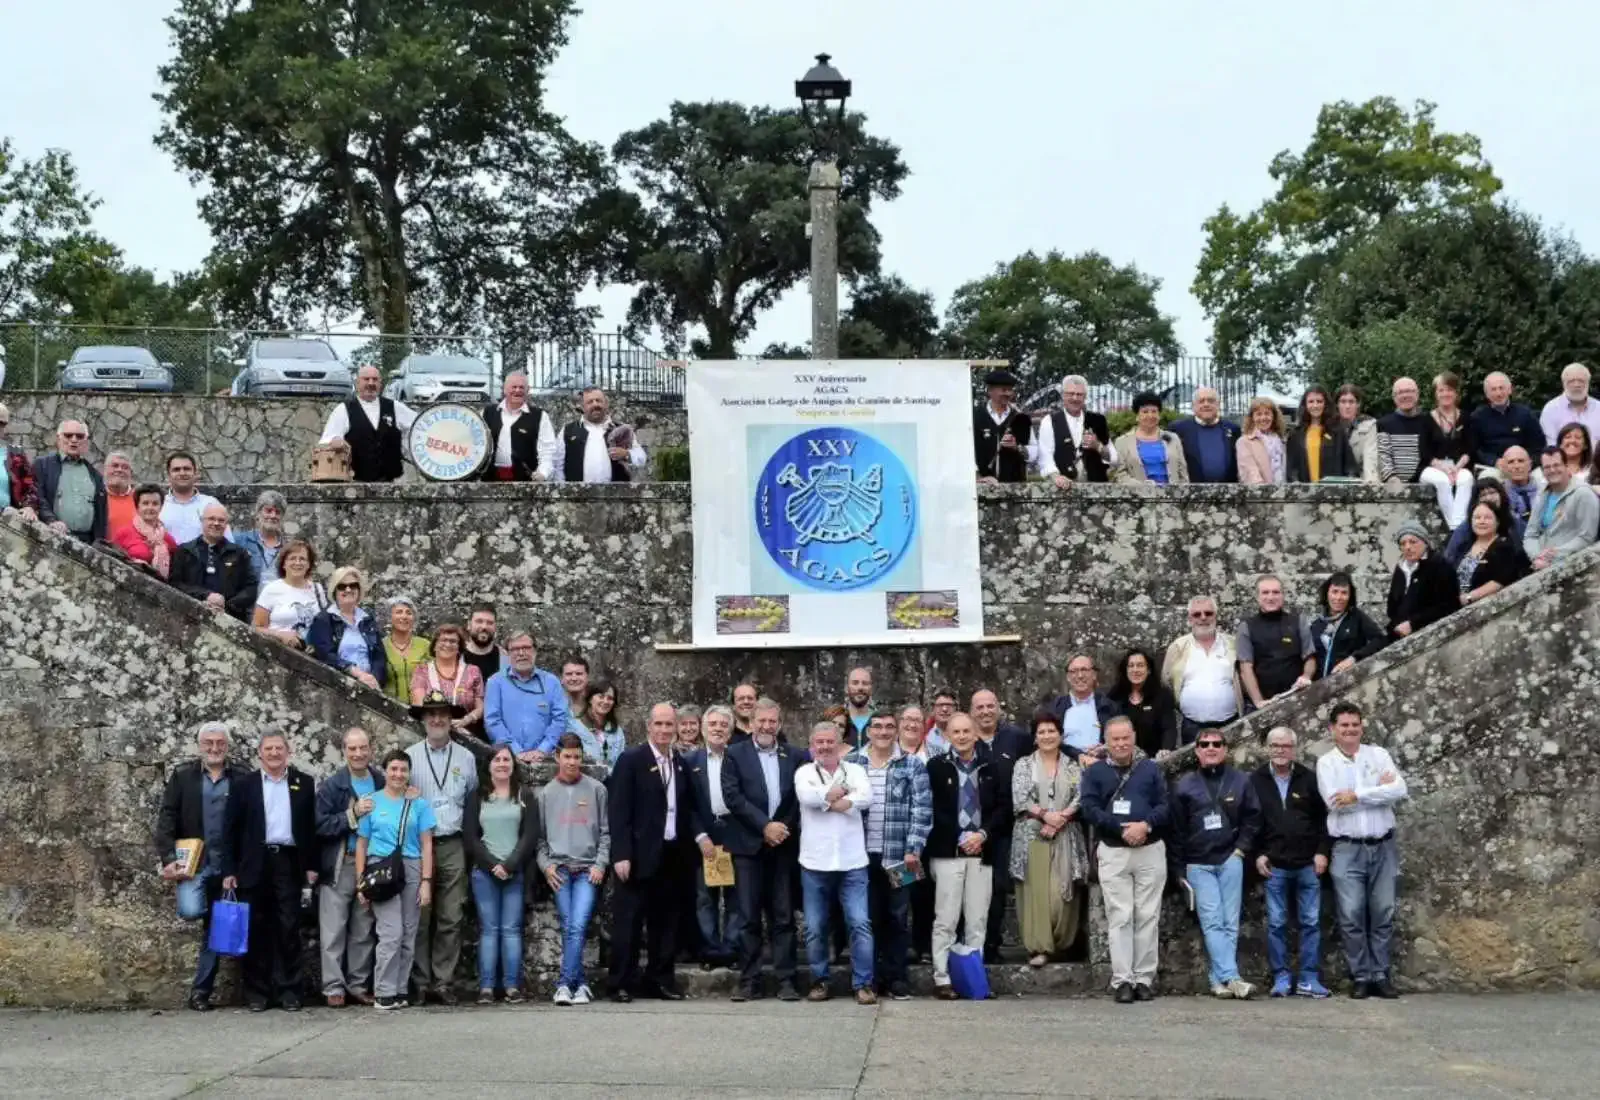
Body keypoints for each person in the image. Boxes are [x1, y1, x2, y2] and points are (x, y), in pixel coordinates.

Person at [219, 732, 317, 1012]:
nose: (274, 753)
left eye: (279, 748)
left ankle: (290, 992)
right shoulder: (243, 785)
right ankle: (257, 993)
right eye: (269, 748)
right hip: (254, 862)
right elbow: (229, 830)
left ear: (288, 752)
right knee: (256, 928)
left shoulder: (304, 783)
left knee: (289, 927)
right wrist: (229, 869)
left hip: (288, 861)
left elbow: (310, 828)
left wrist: (311, 866)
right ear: (259, 753)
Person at [154, 721, 249, 1011]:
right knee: (191, 910)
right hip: (195, 864)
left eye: (220, 743)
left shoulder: (242, 776)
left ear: (228, 746)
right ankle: (213, 922)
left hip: (228, 865)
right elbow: (167, 817)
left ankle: (200, 993)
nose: (214, 748)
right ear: (199, 746)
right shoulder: (183, 776)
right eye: (209, 742)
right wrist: (168, 858)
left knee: (215, 926)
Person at [1317, 702, 1408, 998]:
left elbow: (1400, 790)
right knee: (1351, 914)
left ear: (1362, 726)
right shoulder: (1326, 763)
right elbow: (1334, 803)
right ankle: (1361, 975)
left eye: (1355, 724)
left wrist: (1357, 795)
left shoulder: (1378, 755)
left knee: (1383, 911)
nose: (1350, 729)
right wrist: (1379, 792)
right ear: (1333, 729)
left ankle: (1380, 974)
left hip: (1382, 844)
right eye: (1344, 725)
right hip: (1347, 848)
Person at [1079, 717, 1169, 1003]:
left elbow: (1165, 804)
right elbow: (1089, 808)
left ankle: (1144, 978)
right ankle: (1122, 980)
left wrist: (1146, 825)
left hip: (1150, 848)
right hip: (1114, 849)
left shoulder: (1150, 769)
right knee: (1120, 916)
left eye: (1125, 738)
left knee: (1148, 915)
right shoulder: (1095, 772)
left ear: (1134, 737)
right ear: (1106, 742)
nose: (1120, 744)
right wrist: (1120, 829)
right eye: (1114, 739)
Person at [607, 701, 693, 1001]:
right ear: (648, 727)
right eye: (659, 724)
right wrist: (621, 854)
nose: (664, 730)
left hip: (671, 854)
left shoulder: (680, 763)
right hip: (636, 855)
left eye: (669, 724)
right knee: (629, 923)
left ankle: (659, 980)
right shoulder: (631, 760)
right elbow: (618, 811)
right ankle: (620, 982)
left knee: (666, 923)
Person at [845, 710, 931, 1000]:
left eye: (889, 727)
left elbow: (922, 810)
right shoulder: (852, 763)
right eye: (877, 726)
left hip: (901, 856)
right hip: (860, 857)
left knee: (898, 917)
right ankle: (868, 979)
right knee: (865, 919)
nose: (883, 732)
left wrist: (914, 849)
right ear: (868, 731)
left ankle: (896, 978)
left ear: (896, 731)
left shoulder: (912, 764)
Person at [1169, 729, 1261, 1000]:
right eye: (1205, 744)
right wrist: (1178, 869)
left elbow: (1253, 818)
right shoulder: (1184, 785)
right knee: (1212, 922)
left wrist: (1241, 850)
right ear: (1197, 750)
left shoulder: (1241, 780)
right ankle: (1233, 978)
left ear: (1225, 749)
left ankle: (1217, 980)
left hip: (1230, 859)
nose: (1211, 748)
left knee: (1230, 922)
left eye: (1217, 743)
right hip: (1198, 863)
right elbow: (1176, 830)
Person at [721, 696, 802, 1002]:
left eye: (772, 721)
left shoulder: (794, 755)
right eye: (762, 720)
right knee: (747, 917)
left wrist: (780, 828)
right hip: (748, 848)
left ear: (779, 724)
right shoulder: (734, 753)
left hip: (782, 846)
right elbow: (733, 797)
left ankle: (787, 981)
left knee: (783, 917)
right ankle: (749, 981)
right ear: (752, 722)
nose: (767, 726)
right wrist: (764, 826)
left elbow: (798, 798)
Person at [925, 711, 1008, 999]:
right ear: (947, 735)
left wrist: (982, 835)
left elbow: (1002, 808)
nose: (961, 737)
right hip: (947, 853)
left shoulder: (991, 767)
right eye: (956, 732)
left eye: (966, 731)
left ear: (975, 734)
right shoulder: (936, 767)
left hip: (981, 852)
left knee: (977, 919)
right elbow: (931, 809)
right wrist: (959, 837)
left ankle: (974, 979)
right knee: (946, 919)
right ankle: (942, 978)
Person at [795, 721, 876, 1004]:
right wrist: (840, 793)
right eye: (820, 742)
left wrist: (836, 801)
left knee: (860, 923)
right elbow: (807, 797)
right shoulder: (804, 772)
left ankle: (863, 984)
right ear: (812, 745)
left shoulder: (856, 771)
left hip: (853, 862)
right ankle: (819, 980)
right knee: (814, 927)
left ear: (839, 744)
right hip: (815, 863)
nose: (825, 747)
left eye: (830, 741)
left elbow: (866, 796)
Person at [1250, 727, 1331, 999]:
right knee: (1276, 924)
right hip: (1274, 865)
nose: (1280, 750)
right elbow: (1251, 821)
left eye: (1285, 746)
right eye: (1275, 745)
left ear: (1294, 749)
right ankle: (1281, 977)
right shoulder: (1256, 780)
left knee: (1311, 922)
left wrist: (1322, 852)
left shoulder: (1309, 778)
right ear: (1267, 748)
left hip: (1308, 863)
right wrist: (1258, 854)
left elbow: (1323, 819)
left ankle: (1309, 978)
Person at [406, 691, 475, 1005]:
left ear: (451, 718)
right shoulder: (409, 757)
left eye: (443, 713)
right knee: (420, 915)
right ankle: (420, 982)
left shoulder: (466, 758)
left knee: (451, 915)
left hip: (452, 842)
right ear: (423, 719)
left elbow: (472, 801)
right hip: (419, 845)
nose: (437, 719)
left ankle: (443, 981)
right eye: (431, 714)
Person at [355, 748, 436, 1010]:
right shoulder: (371, 802)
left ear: (409, 773)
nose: (398, 774)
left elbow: (426, 844)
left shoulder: (419, 805)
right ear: (385, 771)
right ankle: (384, 991)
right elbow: (362, 844)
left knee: (409, 932)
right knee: (391, 932)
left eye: (403, 769)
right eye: (393, 769)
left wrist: (426, 881)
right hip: (381, 868)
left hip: (411, 867)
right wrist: (360, 882)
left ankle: (400, 989)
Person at [1009, 712, 1088, 967]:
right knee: (1037, 894)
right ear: (1035, 737)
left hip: (1065, 835)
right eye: (1041, 732)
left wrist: (1060, 818)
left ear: (1060, 735)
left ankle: (1061, 944)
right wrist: (1045, 816)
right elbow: (1020, 798)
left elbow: (1080, 796)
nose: (1047, 736)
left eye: (1051, 731)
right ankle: (1039, 947)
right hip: (1033, 835)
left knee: (1061, 894)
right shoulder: (1024, 765)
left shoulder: (1073, 766)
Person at [538, 733, 611, 1006]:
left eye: (577, 757)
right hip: (560, 870)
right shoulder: (546, 793)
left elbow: (606, 833)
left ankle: (563, 984)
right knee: (571, 925)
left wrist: (600, 864)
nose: (572, 762)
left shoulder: (597, 790)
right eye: (567, 757)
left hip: (587, 870)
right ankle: (579, 984)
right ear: (557, 757)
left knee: (577, 924)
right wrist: (546, 866)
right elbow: (540, 839)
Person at [464, 744, 540, 1005]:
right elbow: (470, 837)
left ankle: (511, 986)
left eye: (506, 759)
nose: (502, 764)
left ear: (513, 765)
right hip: (484, 873)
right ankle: (486, 987)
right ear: (488, 765)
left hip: (514, 872)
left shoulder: (524, 795)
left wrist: (509, 864)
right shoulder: (477, 796)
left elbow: (530, 835)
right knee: (489, 929)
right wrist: (491, 865)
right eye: (496, 759)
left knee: (511, 929)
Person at [314, 727, 384, 1008]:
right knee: (333, 928)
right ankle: (333, 987)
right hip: (341, 862)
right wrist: (351, 814)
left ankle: (358, 984)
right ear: (344, 751)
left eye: (363, 748)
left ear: (371, 749)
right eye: (352, 748)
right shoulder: (333, 786)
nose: (358, 753)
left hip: (372, 862)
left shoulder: (381, 781)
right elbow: (320, 826)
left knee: (364, 927)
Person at [687, 705, 741, 969]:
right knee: (704, 897)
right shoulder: (690, 761)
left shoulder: (740, 758)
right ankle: (709, 951)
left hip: (735, 834)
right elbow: (687, 804)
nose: (718, 729)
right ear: (704, 729)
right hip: (704, 836)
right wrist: (700, 836)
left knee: (735, 897)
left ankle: (731, 951)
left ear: (730, 731)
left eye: (723, 724)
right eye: (713, 724)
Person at [1162, 595, 1243, 745]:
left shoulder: (1233, 644)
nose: (1203, 617)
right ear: (1190, 619)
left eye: (1208, 613)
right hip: (1192, 726)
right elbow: (1166, 682)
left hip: (1230, 723)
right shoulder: (1177, 647)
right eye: (1197, 614)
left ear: (1216, 616)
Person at [319, 365, 417, 483]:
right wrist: (335, 441)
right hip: (354, 483)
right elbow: (327, 440)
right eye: (366, 379)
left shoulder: (395, 407)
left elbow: (418, 426)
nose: (371, 383)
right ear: (357, 383)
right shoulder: (343, 409)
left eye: (375, 379)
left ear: (380, 383)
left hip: (392, 484)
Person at [484, 630, 569, 763]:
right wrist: (515, 751)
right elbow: (492, 721)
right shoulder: (495, 682)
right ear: (507, 653)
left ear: (535, 651)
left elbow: (560, 719)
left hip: (546, 758)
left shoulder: (551, 682)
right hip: (507, 760)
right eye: (515, 649)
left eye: (526, 648)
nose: (521, 653)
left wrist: (542, 750)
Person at [1236, 574, 1315, 711]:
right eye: (1265, 592)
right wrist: (1259, 702)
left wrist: (1306, 676)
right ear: (1257, 597)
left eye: (1276, 592)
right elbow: (1245, 668)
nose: (1271, 597)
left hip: (1296, 699)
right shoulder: (1246, 627)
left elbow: (1310, 657)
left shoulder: (1298, 621)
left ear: (1283, 595)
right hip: (1263, 703)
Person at [170, 503, 259, 622]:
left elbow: (251, 588)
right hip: (190, 617)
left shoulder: (239, 554)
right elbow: (175, 584)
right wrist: (206, 596)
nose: (216, 523)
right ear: (202, 520)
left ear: (226, 524)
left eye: (221, 520)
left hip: (229, 619)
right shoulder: (184, 551)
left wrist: (226, 605)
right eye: (211, 519)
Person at [306, 566, 386, 691]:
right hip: (337, 685)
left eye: (353, 585)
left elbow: (379, 656)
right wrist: (356, 673)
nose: (348, 589)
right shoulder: (324, 619)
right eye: (342, 586)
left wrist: (374, 679)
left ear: (359, 590)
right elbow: (326, 654)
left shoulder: (367, 619)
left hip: (370, 686)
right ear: (334, 591)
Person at [1524, 447, 1600, 571]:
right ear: (1542, 471)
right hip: (1540, 565)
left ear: (1566, 466)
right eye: (1547, 467)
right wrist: (1537, 556)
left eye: (1556, 465)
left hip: (1572, 566)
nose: (1552, 470)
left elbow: (1587, 537)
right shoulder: (1542, 494)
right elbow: (1530, 534)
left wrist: (1554, 555)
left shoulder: (1583, 494)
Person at [1385, 521, 1461, 641]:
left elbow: (1449, 605)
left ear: (1425, 543)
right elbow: (1392, 607)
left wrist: (1413, 623)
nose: (1407, 547)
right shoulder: (1401, 568)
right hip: (1398, 632)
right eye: (1403, 544)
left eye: (1413, 542)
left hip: (1426, 632)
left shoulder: (1439, 565)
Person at [33, 419, 107, 542]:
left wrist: (99, 541)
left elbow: (101, 514)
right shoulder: (43, 465)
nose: (74, 440)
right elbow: (38, 496)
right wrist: (51, 520)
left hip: (87, 542)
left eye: (79, 436)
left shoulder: (95, 475)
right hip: (50, 536)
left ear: (86, 442)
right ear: (58, 439)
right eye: (68, 435)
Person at [1037, 373, 1116, 486]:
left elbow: (1114, 459)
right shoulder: (1049, 421)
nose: (1075, 398)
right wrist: (1056, 476)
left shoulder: (1098, 420)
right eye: (1071, 394)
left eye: (1079, 394)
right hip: (1062, 489)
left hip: (1096, 488)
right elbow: (1045, 456)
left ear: (1085, 397)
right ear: (1063, 395)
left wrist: (1098, 446)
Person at [1421, 371, 1477, 527]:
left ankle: (1456, 525)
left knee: (1466, 479)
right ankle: (1457, 528)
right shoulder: (1426, 419)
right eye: (1441, 390)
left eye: (1449, 390)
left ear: (1456, 393)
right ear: (1435, 394)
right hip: (1432, 467)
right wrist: (1444, 468)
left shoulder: (1466, 417)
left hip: (1459, 466)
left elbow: (1470, 448)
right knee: (1443, 481)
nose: (1445, 394)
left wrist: (1456, 468)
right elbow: (1424, 452)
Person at [409, 623, 484, 737]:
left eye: (453, 641)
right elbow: (419, 705)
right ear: (434, 646)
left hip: (465, 735)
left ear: (459, 647)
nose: (448, 644)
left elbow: (480, 707)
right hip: (431, 733)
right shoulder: (422, 671)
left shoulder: (473, 671)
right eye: (443, 640)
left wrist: (467, 719)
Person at [560, 386, 647, 483]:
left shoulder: (622, 430)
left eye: (598, 400)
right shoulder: (568, 431)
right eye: (590, 402)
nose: (595, 404)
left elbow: (641, 457)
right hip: (578, 492)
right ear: (582, 407)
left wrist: (626, 454)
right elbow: (557, 465)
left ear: (606, 404)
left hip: (616, 491)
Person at [1309, 571, 1387, 680]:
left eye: (1344, 593)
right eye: (1334, 592)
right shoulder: (1317, 625)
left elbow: (1380, 640)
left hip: (1348, 681)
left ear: (1350, 596)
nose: (1338, 597)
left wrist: (1353, 658)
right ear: (1327, 594)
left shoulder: (1357, 617)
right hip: (1320, 685)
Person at [481, 371, 557, 481]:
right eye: (514, 387)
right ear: (504, 389)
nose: (517, 390)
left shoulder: (540, 416)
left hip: (525, 481)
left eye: (521, 387)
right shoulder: (487, 413)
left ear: (528, 390)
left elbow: (547, 450)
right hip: (490, 479)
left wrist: (542, 473)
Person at [252, 540, 326, 651]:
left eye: (302, 559)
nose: (297, 563)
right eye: (292, 558)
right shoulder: (271, 589)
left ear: (309, 564)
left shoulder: (317, 589)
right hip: (279, 653)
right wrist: (279, 635)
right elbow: (256, 628)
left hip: (312, 656)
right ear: (284, 564)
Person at [1456, 500, 1532, 606]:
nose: (1481, 521)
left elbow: (1500, 580)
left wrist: (1469, 597)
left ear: (1497, 521)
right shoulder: (1464, 546)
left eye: (1487, 518)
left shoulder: (1504, 546)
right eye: (1477, 518)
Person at [1046, 654, 1118, 761]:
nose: (1080, 675)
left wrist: (1105, 748)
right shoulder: (1055, 708)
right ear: (1068, 677)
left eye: (1084, 670)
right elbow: (1047, 741)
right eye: (1074, 671)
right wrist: (1078, 755)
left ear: (1094, 674)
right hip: (1064, 765)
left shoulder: (1109, 707)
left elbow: (1120, 739)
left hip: (1100, 763)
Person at [1107, 648, 1175, 758]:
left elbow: (1168, 728)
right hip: (1122, 757)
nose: (1135, 670)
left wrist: (1166, 750)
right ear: (1125, 670)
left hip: (1154, 758)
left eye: (1140, 665)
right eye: (1131, 666)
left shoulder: (1162, 695)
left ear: (1149, 670)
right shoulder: (1115, 695)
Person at [1112, 392, 1188, 484]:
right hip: (1138, 492)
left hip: (1172, 492)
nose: (1150, 416)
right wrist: (1142, 486)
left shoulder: (1173, 438)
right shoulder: (1122, 442)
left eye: (1154, 411)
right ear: (1137, 416)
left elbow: (1183, 472)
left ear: (1159, 415)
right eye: (1145, 412)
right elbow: (1120, 474)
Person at [1169, 386, 1241, 483]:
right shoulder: (1178, 429)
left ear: (1218, 404)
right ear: (1193, 406)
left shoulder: (1233, 429)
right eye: (1201, 401)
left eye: (1210, 401)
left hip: (1229, 489)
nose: (1206, 404)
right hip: (1191, 489)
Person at [1444, 481, 1525, 565]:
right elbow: (1449, 557)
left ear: (1501, 495)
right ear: (1476, 501)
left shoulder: (1514, 521)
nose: (1489, 498)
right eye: (1483, 495)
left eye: (1492, 492)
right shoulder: (1467, 527)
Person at [1470, 372, 1542, 468]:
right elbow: (1475, 450)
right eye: (1493, 389)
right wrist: (1494, 462)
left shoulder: (1525, 414)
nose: (1498, 393)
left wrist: (1526, 462)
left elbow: (1538, 445)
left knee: (1540, 477)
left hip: (1525, 466)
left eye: (1501, 388)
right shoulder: (1477, 417)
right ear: (1487, 394)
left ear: (1510, 390)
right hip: (1493, 467)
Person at [1286, 385, 1356, 482]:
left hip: (1332, 489)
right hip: (1304, 489)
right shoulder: (1295, 434)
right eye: (1311, 401)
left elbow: (1350, 466)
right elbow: (1291, 469)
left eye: (1319, 401)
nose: (1315, 405)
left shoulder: (1337, 431)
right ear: (1305, 405)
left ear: (1325, 404)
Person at [973, 367, 1032, 484]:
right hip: (983, 486)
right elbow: (967, 451)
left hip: (1016, 487)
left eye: (1010, 390)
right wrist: (978, 476)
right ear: (990, 391)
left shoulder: (1021, 417)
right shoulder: (975, 417)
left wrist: (1017, 448)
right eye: (1004, 390)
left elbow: (1034, 451)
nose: (1008, 394)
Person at [112, 483, 178, 579]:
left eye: (155, 504)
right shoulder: (123, 533)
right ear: (137, 506)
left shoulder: (168, 539)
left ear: (161, 507)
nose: (150, 508)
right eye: (145, 503)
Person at [159, 450, 225, 546]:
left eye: (187, 469)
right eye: (176, 469)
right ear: (168, 475)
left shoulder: (211, 504)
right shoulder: (158, 506)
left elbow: (227, 541)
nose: (182, 473)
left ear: (195, 473)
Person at [1377, 377, 1431, 487]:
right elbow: (1384, 456)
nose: (1405, 395)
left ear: (1417, 394)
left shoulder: (1429, 422)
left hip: (1426, 485)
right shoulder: (1384, 424)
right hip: (1394, 487)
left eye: (1409, 391)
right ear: (1394, 397)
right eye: (1400, 392)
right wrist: (1393, 480)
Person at [381, 597, 431, 705]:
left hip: (422, 708)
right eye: (399, 612)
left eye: (409, 613)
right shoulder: (380, 646)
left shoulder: (425, 645)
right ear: (389, 617)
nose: (404, 616)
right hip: (389, 709)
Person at [569, 678, 625, 769]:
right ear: (590, 699)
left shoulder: (617, 732)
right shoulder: (574, 727)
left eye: (610, 698)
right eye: (601, 697)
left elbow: (621, 764)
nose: (605, 701)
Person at [1539, 362, 1600, 446]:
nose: (1576, 385)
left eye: (1581, 381)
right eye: (1571, 381)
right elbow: (1551, 446)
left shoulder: (1598, 408)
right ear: (1563, 383)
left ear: (1588, 383)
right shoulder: (1551, 410)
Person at [234, 490, 287, 581]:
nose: (273, 515)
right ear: (258, 513)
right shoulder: (240, 541)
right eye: (268, 511)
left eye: (278, 512)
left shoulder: (287, 547)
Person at [0, 402, 41, 520]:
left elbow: (30, 487)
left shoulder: (16, 455)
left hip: (5, 523)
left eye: (1, 424)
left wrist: (29, 507)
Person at [1235, 396, 1287, 484]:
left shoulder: (1281, 440)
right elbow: (1250, 472)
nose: (1263, 418)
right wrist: (1264, 490)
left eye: (1267, 413)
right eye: (1258, 414)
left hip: (1284, 490)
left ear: (1273, 416)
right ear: (1252, 418)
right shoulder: (1244, 442)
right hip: (1260, 491)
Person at [1336, 384, 1382, 484]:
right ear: (1337, 404)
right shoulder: (1330, 426)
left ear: (1358, 404)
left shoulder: (1369, 425)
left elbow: (1370, 458)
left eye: (1351, 402)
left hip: (1361, 480)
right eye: (1343, 401)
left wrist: (1370, 484)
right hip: (1335, 480)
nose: (1347, 406)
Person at [461, 603, 504, 687]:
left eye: (490, 623)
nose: (484, 627)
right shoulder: (457, 658)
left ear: (495, 627)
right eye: (479, 621)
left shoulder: (505, 659)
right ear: (469, 625)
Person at [1496, 445, 1539, 524]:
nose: (1516, 466)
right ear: (1504, 467)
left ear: (1530, 465)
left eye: (1521, 461)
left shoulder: (1544, 490)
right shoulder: (1498, 494)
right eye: (1511, 462)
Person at [102, 451, 135, 537]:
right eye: (115, 466)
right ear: (104, 470)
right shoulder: (96, 497)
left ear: (131, 473)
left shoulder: (140, 499)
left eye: (125, 467)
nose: (120, 470)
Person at [840, 665, 875, 746]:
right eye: (855, 683)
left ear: (871, 689)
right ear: (846, 688)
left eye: (865, 683)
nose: (860, 687)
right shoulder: (835, 719)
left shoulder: (881, 720)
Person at [924, 688, 957, 756]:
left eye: (949, 705)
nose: (944, 709)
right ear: (933, 709)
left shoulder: (965, 732)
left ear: (955, 708)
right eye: (940, 705)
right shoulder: (923, 733)